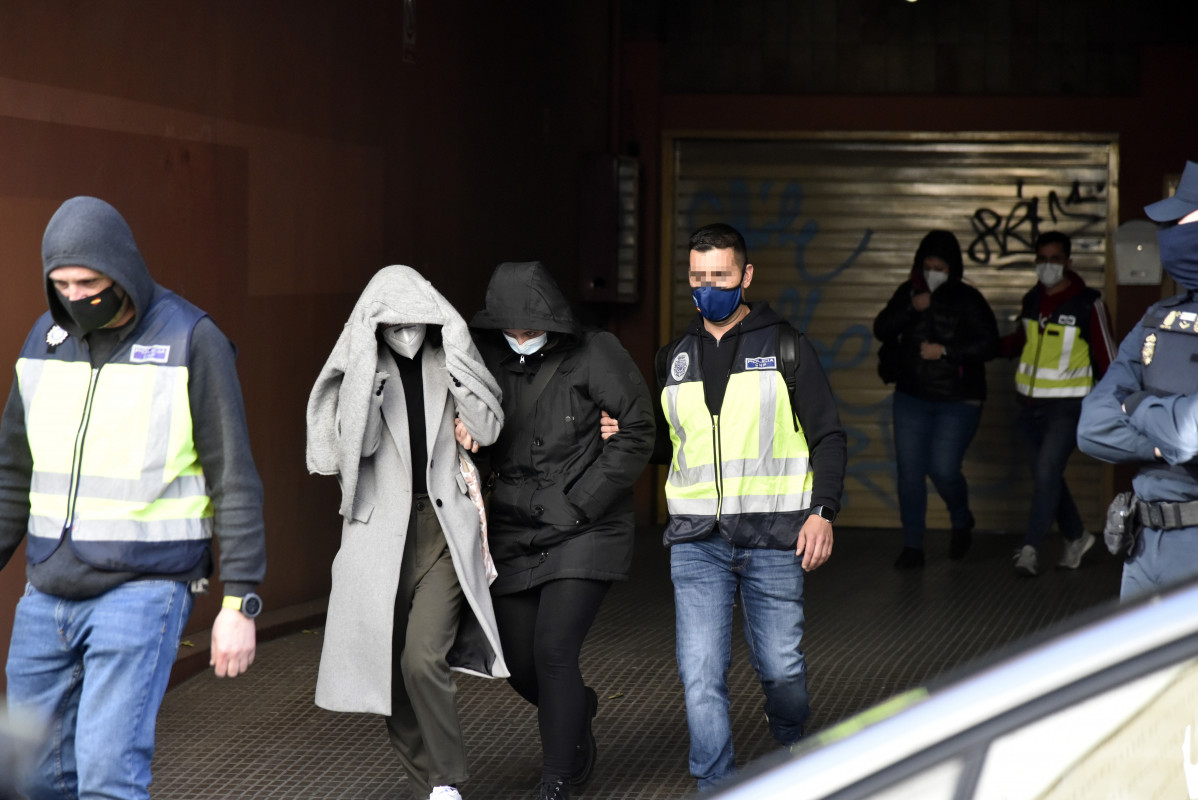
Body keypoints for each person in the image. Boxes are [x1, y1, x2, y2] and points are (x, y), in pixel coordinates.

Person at [0, 196, 266, 799]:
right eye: (60, 283)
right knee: (23, 774)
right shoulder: (44, 339)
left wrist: (241, 598)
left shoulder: (192, 339)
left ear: (122, 270)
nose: (74, 296)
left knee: (106, 774)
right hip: (44, 594)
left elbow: (235, 478)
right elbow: (12, 471)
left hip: (143, 590)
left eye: (88, 282)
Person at [650, 223, 845, 792]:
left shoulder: (785, 346)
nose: (708, 287)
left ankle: (789, 733)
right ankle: (716, 786)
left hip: (774, 538)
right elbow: (670, 445)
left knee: (782, 671)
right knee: (701, 675)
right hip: (695, 543)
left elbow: (828, 435)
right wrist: (622, 433)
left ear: (746, 276)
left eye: (720, 276)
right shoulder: (673, 358)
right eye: (698, 277)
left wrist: (822, 512)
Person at [306, 265, 509, 800]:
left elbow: (487, 428)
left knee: (422, 658)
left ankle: (448, 778)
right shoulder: (366, 369)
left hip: (442, 527)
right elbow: (359, 450)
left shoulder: (449, 358)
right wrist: (365, 384)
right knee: (387, 673)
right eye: (392, 323)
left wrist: (460, 359)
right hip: (380, 536)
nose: (405, 330)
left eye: (414, 320)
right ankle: (432, 790)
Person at [467, 261, 654, 800]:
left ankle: (557, 779)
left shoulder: (597, 352)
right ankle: (579, 709)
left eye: (530, 329)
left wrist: (581, 502)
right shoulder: (486, 360)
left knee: (553, 653)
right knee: (519, 663)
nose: (521, 339)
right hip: (511, 529)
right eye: (511, 330)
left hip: (582, 528)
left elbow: (638, 430)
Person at [1079, 159, 1198, 600]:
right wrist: (1158, 438)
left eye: (1184, 221)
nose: (1169, 236)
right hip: (1143, 545)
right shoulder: (1158, 321)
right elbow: (1091, 428)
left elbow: (1187, 433)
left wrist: (1135, 404)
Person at [873, 229, 999, 568]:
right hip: (911, 396)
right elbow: (881, 328)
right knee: (910, 473)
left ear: (952, 268)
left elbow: (990, 343)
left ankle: (962, 519)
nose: (933, 271)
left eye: (939, 266)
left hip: (958, 399)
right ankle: (913, 545)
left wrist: (946, 351)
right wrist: (912, 308)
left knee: (943, 468)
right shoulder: (909, 293)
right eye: (927, 265)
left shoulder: (968, 299)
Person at [1000, 231, 1114, 576]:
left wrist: (1113, 405)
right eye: (1041, 258)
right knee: (1047, 476)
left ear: (1068, 262)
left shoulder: (1088, 304)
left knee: (1048, 472)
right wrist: (975, 346)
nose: (1047, 265)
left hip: (1067, 407)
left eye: (1054, 259)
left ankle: (1030, 548)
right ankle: (1077, 535)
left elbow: (1107, 356)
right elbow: (1021, 342)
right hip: (1029, 407)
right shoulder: (1032, 299)